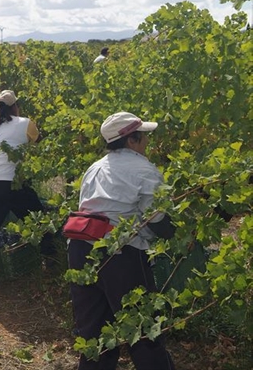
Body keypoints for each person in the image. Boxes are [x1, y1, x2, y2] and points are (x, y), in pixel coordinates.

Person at [68, 111, 176, 370]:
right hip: (120, 255)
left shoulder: (95, 168)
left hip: (81, 250)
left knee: (95, 334)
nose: (147, 142)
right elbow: (159, 220)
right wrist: (180, 231)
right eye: (144, 137)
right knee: (142, 330)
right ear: (131, 140)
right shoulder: (144, 169)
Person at [0, 90, 56, 288]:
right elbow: (40, 146)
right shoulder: (25, 123)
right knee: (38, 218)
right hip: (12, 183)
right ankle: (50, 258)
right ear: (16, 105)